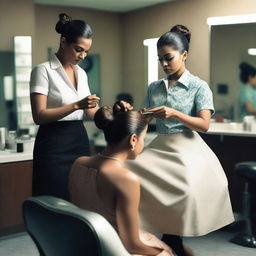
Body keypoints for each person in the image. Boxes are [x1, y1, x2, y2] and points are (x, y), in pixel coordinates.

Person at [126, 25, 234, 256]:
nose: (164, 64)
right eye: (160, 59)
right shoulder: (154, 87)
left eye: (169, 58)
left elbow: (204, 125)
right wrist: (138, 142)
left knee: (186, 190)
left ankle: (173, 241)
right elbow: (144, 120)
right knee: (128, 175)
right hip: (160, 145)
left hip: (187, 147)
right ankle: (159, 240)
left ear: (184, 55)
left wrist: (175, 114)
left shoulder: (199, 86)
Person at [69, 104, 174, 256]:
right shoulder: (125, 179)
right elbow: (131, 245)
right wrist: (165, 252)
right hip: (110, 249)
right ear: (133, 139)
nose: (142, 144)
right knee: (168, 251)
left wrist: (138, 120)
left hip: (82, 246)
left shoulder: (78, 163)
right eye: (143, 139)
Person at [30, 13, 101, 200]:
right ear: (63, 42)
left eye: (86, 51)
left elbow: (91, 112)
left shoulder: (82, 73)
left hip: (78, 139)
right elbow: (39, 115)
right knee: (53, 197)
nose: (83, 56)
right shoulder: (43, 70)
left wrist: (115, 112)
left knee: (79, 197)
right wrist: (77, 104)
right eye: (78, 49)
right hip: (53, 144)